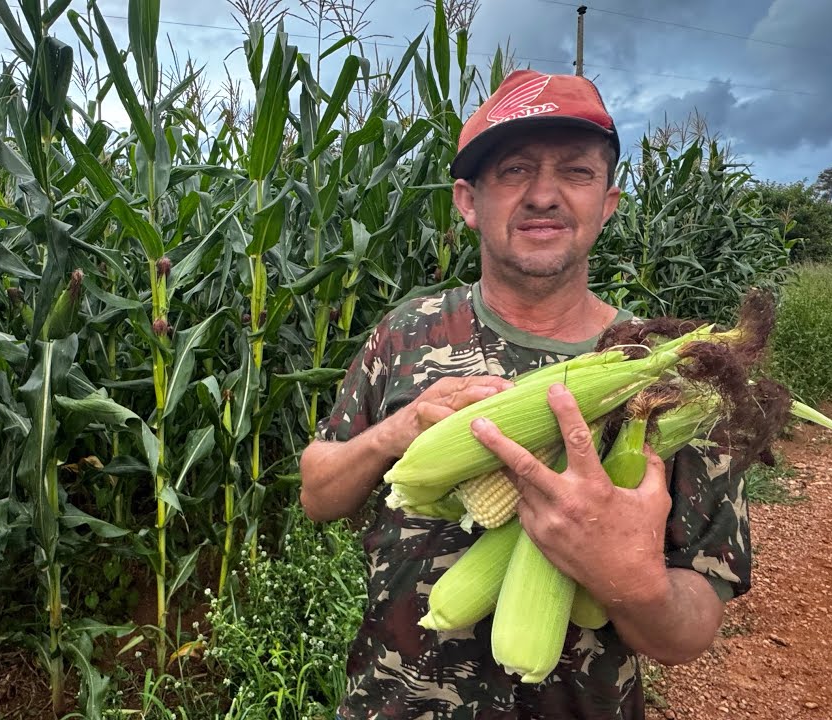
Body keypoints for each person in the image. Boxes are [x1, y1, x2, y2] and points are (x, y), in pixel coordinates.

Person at [299, 70, 750, 719]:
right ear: (467, 200)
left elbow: (690, 630)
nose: (544, 194)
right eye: (513, 171)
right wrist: (396, 435)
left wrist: (630, 579)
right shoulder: (406, 333)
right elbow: (317, 493)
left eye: (575, 172)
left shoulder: (669, 380)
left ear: (609, 201)